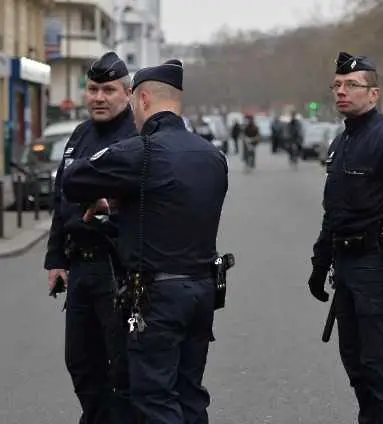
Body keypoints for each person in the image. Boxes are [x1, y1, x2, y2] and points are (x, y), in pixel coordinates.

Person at [61, 59, 229, 424]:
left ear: (144, 99)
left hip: (158, 299)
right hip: (202, 291)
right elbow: (166, 211)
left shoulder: (143, 151)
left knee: (154, 398)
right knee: (190, 394)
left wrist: (111, 194)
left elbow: (73, 179)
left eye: (134, 103)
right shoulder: (212, 155)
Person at [308, 51, 383, 424]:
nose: (342, 92)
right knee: (357, 365)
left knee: (382, 370)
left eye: (352, 85)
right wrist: (320, 262)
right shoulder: (341, 143)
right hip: (346, 269)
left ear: (374, 94)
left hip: (377, 268)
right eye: (338, 85)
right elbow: (335, 212)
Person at [43, 51, 137, 424]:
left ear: (128, 94)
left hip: (118, 269)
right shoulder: (79, 135)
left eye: (109, 90)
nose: (99, 97)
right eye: (93, 89)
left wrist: (110, 211)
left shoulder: (136, 137)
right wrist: (55, 259)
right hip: (80, 266)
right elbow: (60, 201)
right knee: (80, 363)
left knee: (121, 365)